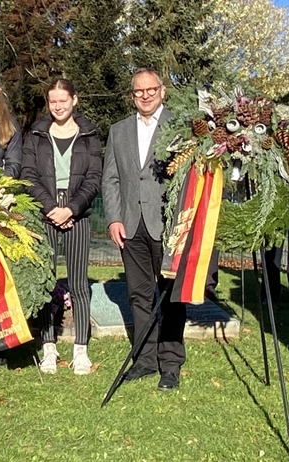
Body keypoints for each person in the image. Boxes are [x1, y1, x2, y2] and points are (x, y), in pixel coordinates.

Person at [102, 67, 185, 391]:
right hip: (131, 226)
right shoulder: (118, 130)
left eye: (151, 89)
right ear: (132, 95)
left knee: (172, 297)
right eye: (139, 91)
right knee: (138, 294)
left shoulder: (181, 128)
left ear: (162, 90)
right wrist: (113, 217)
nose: (145, 95)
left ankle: (171, 364)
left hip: (167, 227)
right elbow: (110, 178)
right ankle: (146, 360)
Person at [21, 79, 102, 375]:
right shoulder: (37, 134)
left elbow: (94, 176)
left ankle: (80, 348)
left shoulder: (89, 133)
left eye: (63, 101)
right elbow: (28, 174)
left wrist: (72, 208)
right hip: (47, 213)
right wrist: (51, 208)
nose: (58, 106)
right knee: (46, 283)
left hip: (77, 213)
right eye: (53, 101)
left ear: (74, 100)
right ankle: (49, 347)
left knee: (79, 284)